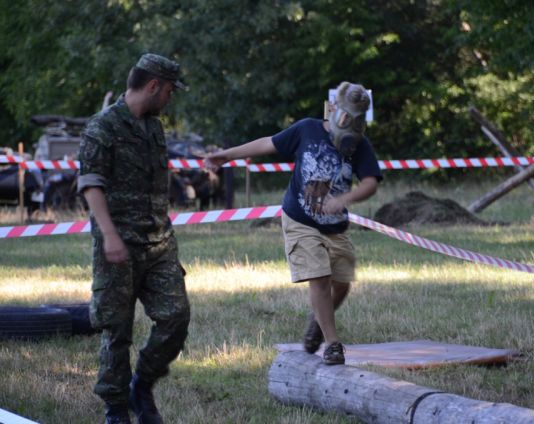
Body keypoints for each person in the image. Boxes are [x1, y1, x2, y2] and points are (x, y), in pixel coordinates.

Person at [207, 81, 381, 365]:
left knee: (342, 284)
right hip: (300, 219)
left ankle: (318, 321)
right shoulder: (306, 130)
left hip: (335, 226)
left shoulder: (359, 144)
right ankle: (332, 343)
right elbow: (268, 143)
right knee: (319, 277)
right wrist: (227, 155)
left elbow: (371, 182)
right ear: (334, 109)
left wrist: (344, 199)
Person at [78, 53, 191, 424]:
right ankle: (115, 409)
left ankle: (141, 385)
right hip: (118, 246)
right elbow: (90, 184)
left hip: (159, 242)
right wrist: (110, 236)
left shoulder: (154, 127)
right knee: (117, 329)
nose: (171, 98)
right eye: (170, 90)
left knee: (176, 317)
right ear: (153, 85)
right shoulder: (103, 127)